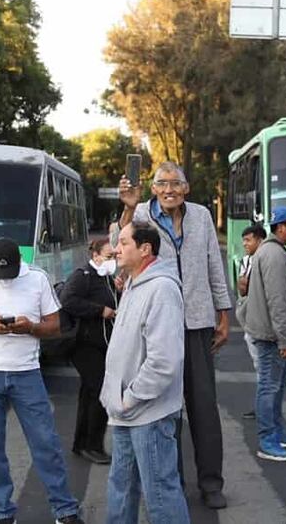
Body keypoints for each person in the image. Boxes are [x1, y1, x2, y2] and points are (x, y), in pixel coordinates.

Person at [116, 161, 231, 509]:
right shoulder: (140, 215)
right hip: (156, 324)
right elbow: (118, 246)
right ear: (152, 188)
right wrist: (127, 207)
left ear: (186, 188)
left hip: (197, 323)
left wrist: (223, 313)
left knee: (203, 407)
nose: (168, 189)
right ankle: (173, 482)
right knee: (164, 409)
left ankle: (211, 483)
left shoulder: (201, 216)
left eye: (175, 183)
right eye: (161, 183)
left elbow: (214, 263)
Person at [0, 238, 84, 524]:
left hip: (27, 373)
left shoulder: (37, 278)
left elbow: (56, 326)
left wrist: (31, 327)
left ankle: (65, 510)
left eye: (9, 273)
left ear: (19, 264)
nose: (4, 280)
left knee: (46, 443)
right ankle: (2, 511)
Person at [102, 222, 189, 524]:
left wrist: (131, 398)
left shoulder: (161, 289)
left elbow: (165, 361)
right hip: (126, 410)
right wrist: (116, 398)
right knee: (121, 488)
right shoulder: (134, 283)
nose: (116, 248)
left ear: (145, 249)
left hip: (147, 413)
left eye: (124, 243)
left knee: (161, 493)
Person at [236, 207, 286, 462]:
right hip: (270, 335)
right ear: (280, 226)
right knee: (269, 387)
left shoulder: (274, 251)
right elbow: (277, 301)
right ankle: (268, 440)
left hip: (272, 333)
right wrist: (285, 339)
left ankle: (276, 433)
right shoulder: (274, 255)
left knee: (276, 386)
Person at [59, 238, 119, 465]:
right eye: (109, 256)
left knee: (89, 393)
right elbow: (68, 300)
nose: (113, 260)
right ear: (96, 256)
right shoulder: (83, 276)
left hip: (101, 343)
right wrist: (98, 310)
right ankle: (92, 445)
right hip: (84, 345)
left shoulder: (106, 277)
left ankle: (82, 443)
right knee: (99, 392)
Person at [238, 223, 267, 420]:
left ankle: (265, 409)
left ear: (259, 239)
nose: (245, 244)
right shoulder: (246, 261)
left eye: (248, 240)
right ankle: (262, 406)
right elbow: (242, 289)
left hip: (262, 322)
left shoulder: (267, 259)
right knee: (260, 366)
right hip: (250, 319)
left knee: (265, 369)